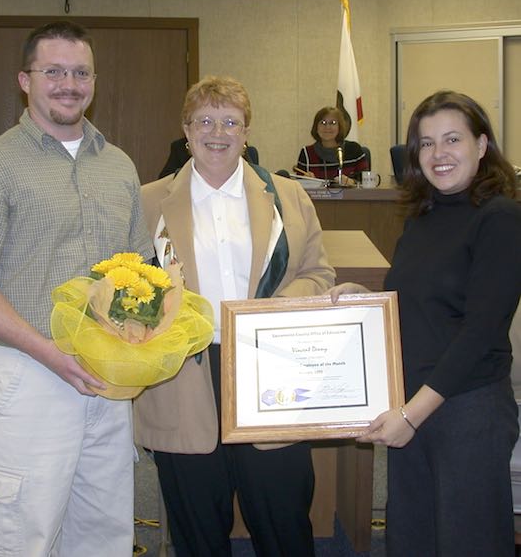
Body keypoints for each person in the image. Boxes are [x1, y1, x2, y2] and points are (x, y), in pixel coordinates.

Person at [0, 21, 154, 556]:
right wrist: (49, 353)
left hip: (108, 379)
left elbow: (139, 270)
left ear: (94, 80)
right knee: (23, 534)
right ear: (25, 80)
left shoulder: (118, 165)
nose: (69, 83)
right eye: (54, 71)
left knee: (104, 531)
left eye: (81, 72)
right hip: (29, 375)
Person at [133, 75, 336, 557]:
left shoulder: (289, 196)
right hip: (184, 379)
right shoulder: (146, 202)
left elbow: (318, 273)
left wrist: (274, 310)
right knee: (198, 531)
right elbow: (127, 289)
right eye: (204, 120)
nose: (217, 131)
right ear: (185, 130)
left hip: (270, 376)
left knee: (284, 521)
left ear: (247, 132)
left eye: (231, 121)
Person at [331, 90, 521, 556]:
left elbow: (480, 332)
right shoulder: (423, 214)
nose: (439, 154)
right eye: (427, 143)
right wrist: (370, 298)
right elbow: (421, 301)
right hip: (414, 398)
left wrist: (409, 416)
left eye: (452, 139)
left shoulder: (502, 219)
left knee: (467, 541)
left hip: (466, 407)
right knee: (412, 536)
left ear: (481, 145)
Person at [295, 106, 368, 182]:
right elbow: (298, 187)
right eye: (323, 123)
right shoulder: (307, 153)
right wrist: (306, 181)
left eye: (333, 123)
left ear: (340, 127)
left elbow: (366, 182)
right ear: (316, 127)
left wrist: (352, 182)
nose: (327, 127)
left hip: (350, 194)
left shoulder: (354, 150)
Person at [157, 135, 259, 178]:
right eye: (206, 122)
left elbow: (253, 177)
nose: (217, 132)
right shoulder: (179, 147)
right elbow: (166, 185)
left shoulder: (237, 143)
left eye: (229, 123)